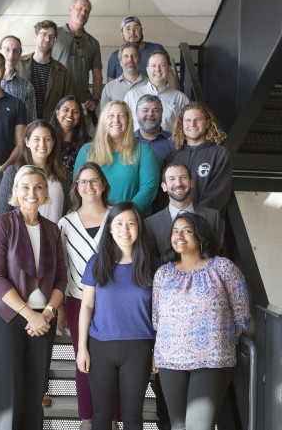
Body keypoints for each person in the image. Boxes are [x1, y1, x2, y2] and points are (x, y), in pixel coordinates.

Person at [0, 165, 67, 430]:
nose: (32, 192)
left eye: (38, 187)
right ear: (16, 192)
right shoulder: (2, 223)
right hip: (8, 318)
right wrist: (30, 315)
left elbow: (61, 279)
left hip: (43, 321)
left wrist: (47, 314)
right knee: (7, 391)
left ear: (46, 193)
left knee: (35, 391)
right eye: (25, 187)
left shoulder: (53, 230)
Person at [152, 212, 250, 430]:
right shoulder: (163, 274)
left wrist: (222, 340)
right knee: (178, 424)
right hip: (170, 359)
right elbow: (157, 317)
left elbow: (241, 312)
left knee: (199, 426)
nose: (179, 236)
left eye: (187, 230)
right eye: (175, 231)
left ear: (201, 237)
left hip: (212, 359)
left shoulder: (223, 268)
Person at [77, 201, 156, 429]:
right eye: (119, 223)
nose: (125, 229)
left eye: (131, 223)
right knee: (101, 416)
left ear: (139, 228)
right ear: (110, 228)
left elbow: (160, 313)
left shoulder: (152, 265)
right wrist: (82, 348)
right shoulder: (96, 263)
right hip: (101, 347)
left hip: (139, 348)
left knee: (133, 417)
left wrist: (156, 349)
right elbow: (87, 307)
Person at [58, 162, 120, 429]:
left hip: (114, 301)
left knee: (112, 359)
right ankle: (87, 419)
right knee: (83, 357)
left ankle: (113, 419)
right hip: (76, 300)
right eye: (83, 182)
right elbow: (61, 267)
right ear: (76, 188)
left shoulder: (117, 216)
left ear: (104, 184)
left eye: (94, 181)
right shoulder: (65, 223)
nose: (89, 187)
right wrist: (59, 307)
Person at [74, 100, 160, 218]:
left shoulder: (144, 151)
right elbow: (79, 187)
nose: (116, 120)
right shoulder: (87, 151)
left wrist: (121, 216)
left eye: (121, 116)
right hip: (93, 219)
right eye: (111, 116)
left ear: (128, 120)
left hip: (131, 222)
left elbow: (148, 190)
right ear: (103, 120)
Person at [145, 162, 223, 262]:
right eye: (172, 179)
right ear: (164, 186)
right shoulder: (151, 224)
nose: (178, 183)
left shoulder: (213, 216)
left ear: (191, 182)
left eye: (183, 177)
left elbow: (220, 255)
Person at [164, 101, 232, 211]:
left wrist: (195, 216)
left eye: (198, 120)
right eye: (188, 120)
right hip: (175, 222)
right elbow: (165, 190)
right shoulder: (173, 156)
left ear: (207, 123)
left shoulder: (219, 154)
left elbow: (219, 193)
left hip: (204, 220)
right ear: (182, 125)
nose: (193, 124)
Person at [0, 120, 71, 222]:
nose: (42, 144)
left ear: (53, 142)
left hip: (55, 236)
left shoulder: (63, 174)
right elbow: (3, 214)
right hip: (21, 237)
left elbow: (68, 212)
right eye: (36, 139)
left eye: (47, 139)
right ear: (27, 142)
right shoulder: (13, 172)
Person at [52, 0, 103, 115]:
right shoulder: (54, 34)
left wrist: (95, 99)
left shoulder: (93, 43)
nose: (83, 13)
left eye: (87, 11)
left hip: (82, 105)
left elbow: (97, 76)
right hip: (55, 104)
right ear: (70, 10)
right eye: (79, 9)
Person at [16, 20, 72, 122]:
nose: (47, 39)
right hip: (22, 124)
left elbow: (67, 104)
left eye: (52, 37)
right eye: (44, 35)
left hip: (50, 126)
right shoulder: (18, 64)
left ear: (54, 41)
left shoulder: (62, 72)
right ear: (35, 37)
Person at [0, 35, 37, 124]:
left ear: (20, 54)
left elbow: (31, 120)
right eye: (7, 49)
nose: (11, 55)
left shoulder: (27, 86)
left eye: (16, 51)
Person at [107, 16, 179, 90]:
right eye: (128, 29)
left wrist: (177, 99)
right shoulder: (115, 56)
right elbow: (110, 86)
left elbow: (170, 76)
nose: (132, 32)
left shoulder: (156, 50)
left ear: (141, 30)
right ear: (122, 34)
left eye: (136, 28)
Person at [124, 50, 189, 132]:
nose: (157, 69)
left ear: (169, 68)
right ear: (147, 70)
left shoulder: (181, 98)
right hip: (138, 144)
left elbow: (186, 129)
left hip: (169, 144)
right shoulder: (132, 95)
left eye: (162, 65)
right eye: (153, 65)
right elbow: (124, 126)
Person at [100, 43, 149, 110]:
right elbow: (103, 116)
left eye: (134, 56)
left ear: (140, 60)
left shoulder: (150, 85)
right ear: (120, 62)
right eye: (126, 56)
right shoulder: (109, 88)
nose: (130, 59)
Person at [50, 95, 91, 173]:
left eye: (75, 111)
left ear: (80, 116)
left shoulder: (87, 145)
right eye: (66, 110)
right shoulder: (47, 140)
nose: (70, 114)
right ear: (57, 113)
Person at [134, 94, 175, 168]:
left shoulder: (174, 141)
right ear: (136, 114)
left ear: (161, 113)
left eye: (155, 111)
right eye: (145, 110)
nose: (150, 114)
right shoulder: (127, 141)